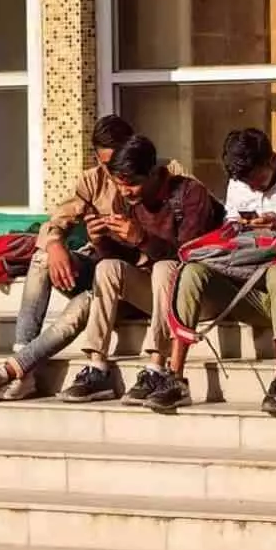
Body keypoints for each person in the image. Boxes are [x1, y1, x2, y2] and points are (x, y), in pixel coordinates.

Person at [0, 116, 184, 403]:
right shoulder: (91, 181)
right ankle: (23, 364)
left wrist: (139, 237)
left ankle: (12, 371)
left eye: (122, 165)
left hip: (142, 280)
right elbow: (55, 223)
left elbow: (189, 233)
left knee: (83, 304)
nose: (117, 176)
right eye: (108, 166)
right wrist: (57, 245)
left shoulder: (168, 175)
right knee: (43, 257)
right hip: (105, 268)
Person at [153, 128, 276, 415]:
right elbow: (230, 227)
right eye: (246, 182)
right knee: (192, 270)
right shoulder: (239, 184)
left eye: (256, 179)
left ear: (270, 159)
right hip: (247, 288)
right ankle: (175, 377)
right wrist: (240, 228)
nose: (253, 188)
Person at [56, 135, 221, 404]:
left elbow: (190, 257)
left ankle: (157, 368)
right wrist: (101, 241)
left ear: (154, 173)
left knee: (165, 268)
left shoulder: (190, 194)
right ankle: (97, 368)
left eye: (132, 184)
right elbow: (126, 259)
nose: (124, 192)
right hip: (156, 293)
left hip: (197, 297)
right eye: (119, 184)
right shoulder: (127, 201)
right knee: (108, 267)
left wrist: (142, 239)